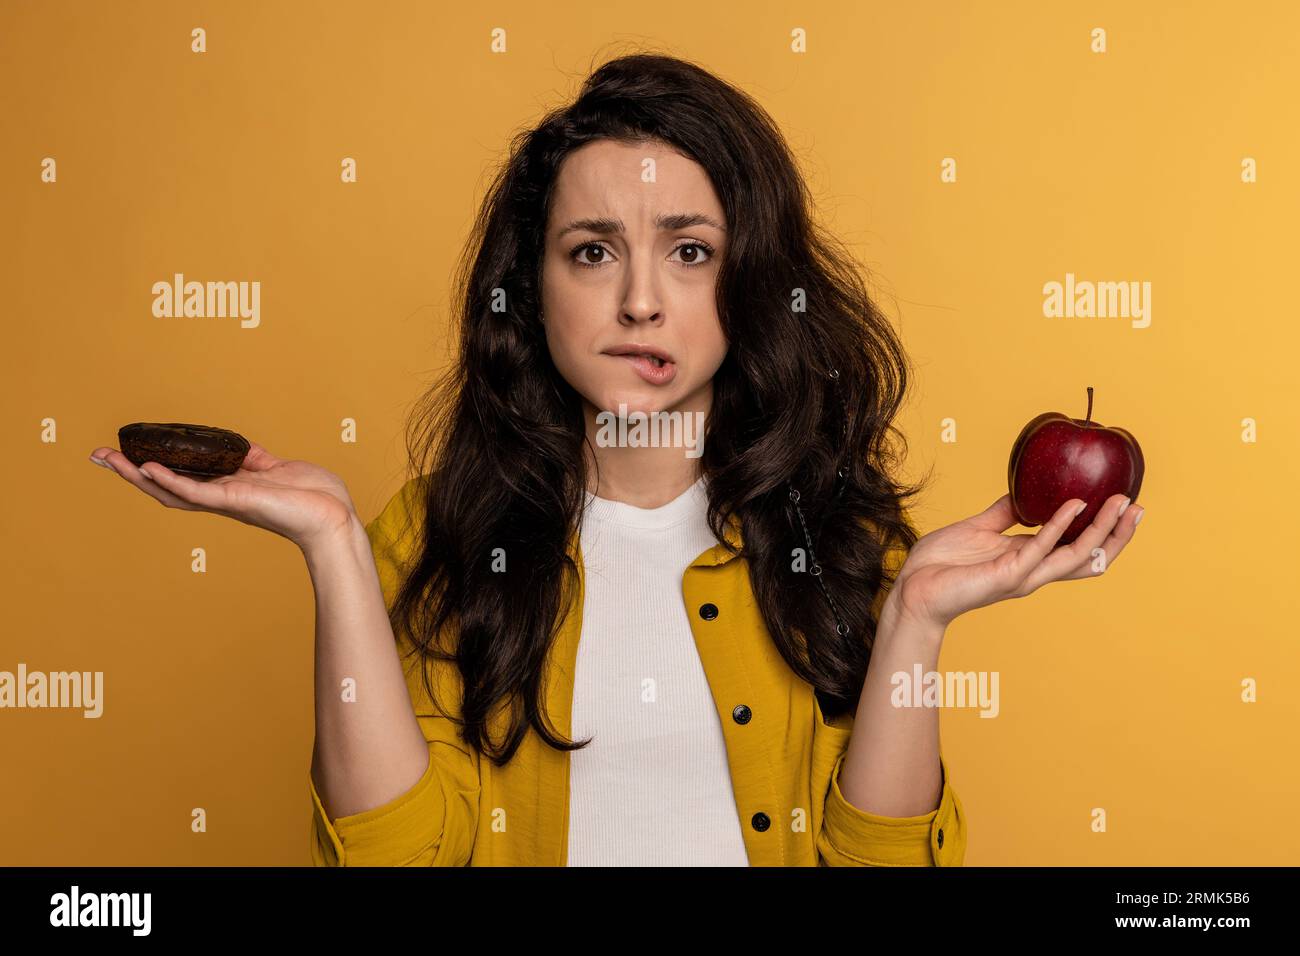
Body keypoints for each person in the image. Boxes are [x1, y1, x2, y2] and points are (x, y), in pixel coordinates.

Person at [89, 52, 1142, 867]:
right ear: (531, 286)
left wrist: (916, 615)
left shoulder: (843, 543)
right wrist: (331, 546)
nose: (641, 299)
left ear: (746, 281)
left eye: (689, 250)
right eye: (592, 250)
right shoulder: (434, 535)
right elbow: (397, 856)